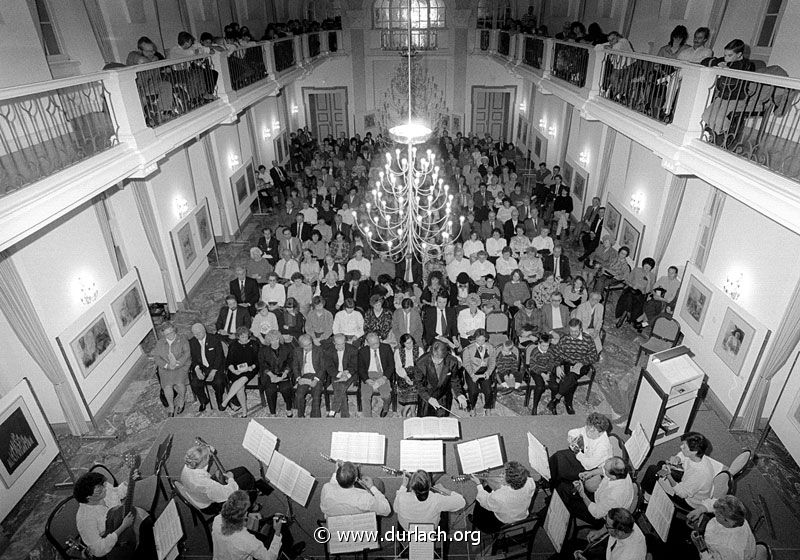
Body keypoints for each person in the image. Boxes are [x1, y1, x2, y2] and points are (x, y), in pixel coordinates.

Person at [74, 470, 156, 559]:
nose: (105, 489)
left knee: (148, 525)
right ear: (89, 498)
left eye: (104, 486)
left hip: (125, 524)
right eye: (100, 491)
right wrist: (122, 528)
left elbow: (117, 492)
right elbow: (98, 550)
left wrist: (131, 481)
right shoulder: (84, 520)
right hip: (115, 545)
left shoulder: (103, 487)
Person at [641, 431, 724, 509]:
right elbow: (683, 456)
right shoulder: (698, 457)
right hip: (687, 482)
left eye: (684, 447)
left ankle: (646, 500)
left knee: (652, 470)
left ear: (694, 451)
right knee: (661, 464)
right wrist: (677, 458)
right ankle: (653, 488)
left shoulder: (699, 474)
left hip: (689, 501)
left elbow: (682, 494)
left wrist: (669, 476)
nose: (681, 447)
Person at [212, 491, 303, 560]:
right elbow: (269, 557)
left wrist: (247, 515)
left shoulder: (217, 519)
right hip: (249, 553)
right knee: (280, 527)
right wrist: (277, 532)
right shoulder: (246, 539)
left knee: (272, 519)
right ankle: (289, 554)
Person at [180, 444, 262, 514]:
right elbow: (230, 492)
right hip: (210, 506)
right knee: (248, 481)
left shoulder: (189, 464)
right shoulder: (206, 484)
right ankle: (250, 505)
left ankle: (252, 489)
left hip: (199, 491)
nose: (211, 457)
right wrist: (231, 479)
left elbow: (206, 451)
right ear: (204, 461)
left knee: (242, 470)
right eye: (209, 457)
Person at [701, 39, 756, 137]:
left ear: (739, 54)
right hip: (723, 96)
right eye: (725, 55)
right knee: (706, 115)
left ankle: (721, 139)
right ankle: (712, 135)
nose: (726, 58)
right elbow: (704, 61)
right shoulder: (726, 60)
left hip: (737, 98)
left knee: (719, 120)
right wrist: (716, 63)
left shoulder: (748, 65)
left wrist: (728, 70)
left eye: (729, 55)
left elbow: (740, 76)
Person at [560, 457, 635, 528]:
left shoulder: (614, 496)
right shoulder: (621, 470)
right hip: (600, 497)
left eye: (605, 469)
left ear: (613, 477)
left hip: (599, 514)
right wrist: (591, 473)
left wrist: (582, 494)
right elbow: (604, 470)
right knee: (566, 486)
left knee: (565, 494)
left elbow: (596, 513)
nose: (603, 470)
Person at [548, 318, 600, 414]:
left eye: (576, 331)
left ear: (581, 329)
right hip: (567, 363)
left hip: (582, 365)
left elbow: (594, 357)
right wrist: (558, 366)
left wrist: (581, 362)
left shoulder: (588, 339)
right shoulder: (564, 338)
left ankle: (556, 399)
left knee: (571, 377)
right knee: (571, 382)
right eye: (571, 331)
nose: (573, 333)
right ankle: (568, 403)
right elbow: (556, 354)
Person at [548, 413, 613, 488]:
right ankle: (548, 479)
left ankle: (553, 484)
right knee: (558, 455)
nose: (588, 433)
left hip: (592, 467)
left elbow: (588, 465)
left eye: (592, 431)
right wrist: (572, 437)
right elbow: (573, 432)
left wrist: (577, 452)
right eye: (588, 429)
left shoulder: (603, 447)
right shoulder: (591, 428)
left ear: (601, 433)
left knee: (563, 471)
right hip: (583, 455)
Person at [470, 461, 536, 534]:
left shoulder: (498, 497)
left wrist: (478, 484)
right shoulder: (530, 482)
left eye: (503, 474)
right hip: (521, 516)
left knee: (480, 501)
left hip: (502, 522)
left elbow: (484, 501)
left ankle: (475, 520)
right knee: (489, 489)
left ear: (509, 482)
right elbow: (508, 491)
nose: (501, 474)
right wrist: (488, 479)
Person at [689, 495, 756, 560]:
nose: (714, 512)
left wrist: (702, 549)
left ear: (727, 520)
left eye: (717, 513)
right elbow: (716, 504)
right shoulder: (737, 516)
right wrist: (700, 510)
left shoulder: (729, 549)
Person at [394, 470, 466, 530]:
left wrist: (403, 486)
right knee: (444, 510)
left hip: (408, 529)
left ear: (412, 485)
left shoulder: (401, 497)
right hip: (430, 530)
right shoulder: (437, 499)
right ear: (429, 485)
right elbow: (461, 502)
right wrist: (444, 489)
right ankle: (444, 543)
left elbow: (396, 509)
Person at [320, 461, 391, 518]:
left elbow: (332, 486)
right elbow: (387, 510)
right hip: (357, 530)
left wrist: (337, 471)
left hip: (336, 525)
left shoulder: (326, 488)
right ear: (356, 479)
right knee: (378, 482)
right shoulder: (364, 497)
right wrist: (372, 487)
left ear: (337, 477)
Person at [415, 341, 468, 417]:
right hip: (426, 397)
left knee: (443, 423)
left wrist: (459, 394)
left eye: (441, 359)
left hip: (443, 397)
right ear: (431, 354)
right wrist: (429, 398)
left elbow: (454, 380)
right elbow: (418, 384)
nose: (438, 362)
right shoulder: (421, 362)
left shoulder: (452, 361)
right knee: (425, 422)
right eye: (435, 359)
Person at [575, 508, 646, 560]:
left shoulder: (627, 556)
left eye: (607, 525)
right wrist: (600, 532)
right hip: (610, 549)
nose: (605, 526)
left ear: (619, 532)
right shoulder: (627, 522)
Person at [153, 322, 190, 416]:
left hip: (180, 366)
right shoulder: (160, 343)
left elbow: (186, 354)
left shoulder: (182, 340)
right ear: (163, 335)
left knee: (179, 383)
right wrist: (166, 366)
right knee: (167, 386)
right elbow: (157, 357)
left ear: (174, 330)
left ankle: (181, 399)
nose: (170, 335)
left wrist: (177, 364)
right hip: (166, 368)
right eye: (167, 334)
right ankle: (171, 406)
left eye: (171, 332)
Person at [221, 327, 260, 416]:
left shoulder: (254, 344)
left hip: (250, 369)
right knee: (240, 388)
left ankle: (226, 401)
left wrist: (251, 367)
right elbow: (229, 361)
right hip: (236, 369)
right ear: (238, 337)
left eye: (246, 336)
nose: (245, 339)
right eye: (242, 337)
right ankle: (244, 410)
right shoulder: (233, 345)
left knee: (243, 379)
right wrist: (233, 370)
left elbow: (258, 360)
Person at [189, 322, 226, 412]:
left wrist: (213, 371)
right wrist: (197, 369)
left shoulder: (214, 339)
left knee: (219, 382)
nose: (197, 336)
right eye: (195, 334)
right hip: (202, 367)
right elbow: (193, 358)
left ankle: (219, 399)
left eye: (199, 333)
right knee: (194, 383)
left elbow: (219, 357)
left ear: (204, 330)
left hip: (215, 366)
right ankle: (204, 400)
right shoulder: (192, 342)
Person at [357, 332, 395, 417]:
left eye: (377, 343)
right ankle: (368, 420)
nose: (376, 346)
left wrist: (384, 378)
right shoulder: (362, 351)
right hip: (368, 374)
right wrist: (366, 379)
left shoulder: (386, 348)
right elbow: (360, 368)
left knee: (386, 396)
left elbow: (391, 365)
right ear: (367, 343)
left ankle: (385, 407)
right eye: (373, 344)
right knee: (365, 397)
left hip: (382, 374)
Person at [291, 334, 330, 417]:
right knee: (299, 395)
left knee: (316, 396)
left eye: (310, 344)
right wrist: (298, 378)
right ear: (301, 346)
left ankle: (314, 418)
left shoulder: (319, 350)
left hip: (316, 375)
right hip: (304, 376)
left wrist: (316, 379)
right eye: (306, 346)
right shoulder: (297, 351)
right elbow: (295, 366)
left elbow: (323, 367)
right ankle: (300, 415)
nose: (309, 347)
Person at [258, 330, 294, 417]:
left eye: (277, 339)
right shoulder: (263, 350)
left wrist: (285, 373)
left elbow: (290, 362)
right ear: (268, 341)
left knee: (286, 388)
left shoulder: (287, 348)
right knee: (270, 390)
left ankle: (288, 408)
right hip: (269, 374)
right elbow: (263, 365)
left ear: (280, 339)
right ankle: (272, 412)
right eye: (272, 340)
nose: (275, 342)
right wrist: (272, 376)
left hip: (283, 373)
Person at [462, 329, 497, 414]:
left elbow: (492, 362)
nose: (480, 342)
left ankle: (488, 406)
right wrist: (472, 375)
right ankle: (472, 407)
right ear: (475, 339)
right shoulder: (468, 349)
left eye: (482, 339)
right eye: (478, 340)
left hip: (485, 371)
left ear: (486, 338)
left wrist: (488, 372)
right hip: (472, 371)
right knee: (473, 391)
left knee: (488, 391)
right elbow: (466, 364)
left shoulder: (490, 347)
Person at [615, 257, 656, 329]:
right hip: (630, 289)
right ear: (643, 265)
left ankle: (625, 315)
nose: (646, 268)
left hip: (640, 295)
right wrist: (633, 285)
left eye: (648, 268)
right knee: (629, 295)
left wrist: (649, 281)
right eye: (645, 266)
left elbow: (648, 291)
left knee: (630, 297)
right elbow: (627, 280)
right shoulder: (636, 270)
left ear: (651, 268)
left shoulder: (652, 276)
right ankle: (628, 314)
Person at [325, 333, 358, 418]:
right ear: (334, 343)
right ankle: (345, 416)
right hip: (336, 374)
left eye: (343, 344)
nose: (341, 346)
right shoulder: (328, 351)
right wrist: (339, 374)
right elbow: (329, 367)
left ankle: (333, 410)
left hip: (350, 374)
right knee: (341, 388)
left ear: (345, 342)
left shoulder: (353, 349)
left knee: (341, 386)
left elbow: (355, 366)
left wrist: (346, 374)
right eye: (338, 345)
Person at [526, 333, 560, 414]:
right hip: (536, 371)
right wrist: (542, 374)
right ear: (539, 343)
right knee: (540, 386)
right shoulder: (535, 352)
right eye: (543, 346)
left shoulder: (550, 351)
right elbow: (532, 365)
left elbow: (551, 363)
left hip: (547, 371)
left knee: (555, 386)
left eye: (547, 346)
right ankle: (535, 406)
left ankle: (552, 404)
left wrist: (548, 373)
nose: (545, 348)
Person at [394, 333, 424, 417]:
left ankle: (407, 411)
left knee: (415, 386)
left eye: (411, 342)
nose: (410, 344)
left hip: (416, 373)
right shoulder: (398, 352)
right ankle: (412, 412)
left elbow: (421, 366)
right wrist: (405, 377)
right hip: (403, 374)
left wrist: (416, 377)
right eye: (407, 343)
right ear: (403, 343)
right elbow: (398, 367)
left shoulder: (419, 350)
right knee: (411, 387)